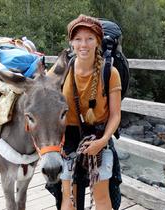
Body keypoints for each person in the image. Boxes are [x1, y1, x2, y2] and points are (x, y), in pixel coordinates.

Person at [56, 14, 122, 210]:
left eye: (89, 38)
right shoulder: (63, 68)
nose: (83, 44)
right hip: (68, 140)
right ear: (71, 43)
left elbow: (116, 114)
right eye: (78, 39)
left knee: (101, 198)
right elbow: (41, 89)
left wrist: (102, 142)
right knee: (69, 200)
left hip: (98, 138)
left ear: (97, 42)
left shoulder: (109, 73)